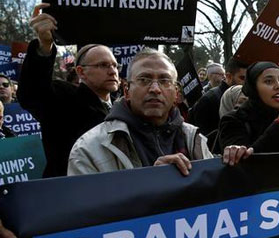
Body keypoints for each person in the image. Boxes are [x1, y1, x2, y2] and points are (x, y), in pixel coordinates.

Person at [67, 48, 213, 175]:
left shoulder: (195, 139)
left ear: (176, 93)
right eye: (144, 80)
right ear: (127, 91)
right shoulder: (88, 149)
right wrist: (148, 185)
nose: (155, 89)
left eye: (164, 81)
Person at [18, 3, 120, 177]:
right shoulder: (64, 98)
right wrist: (44, 47)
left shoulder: (124, 105)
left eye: (115, 65)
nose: (112, 71)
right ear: (81, 72)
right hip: (70, 192)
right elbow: (32, 93)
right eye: (103, 65)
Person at [219, 62, 279, 153]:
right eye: (268, 81)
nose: (278, 86)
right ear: (253, 88)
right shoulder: (234, 120)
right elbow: (245, 163)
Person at [189, 59, 248, 139]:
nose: (246, 83)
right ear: (229, 77)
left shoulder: (246, 97)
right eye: (242, 78)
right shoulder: (209, 99)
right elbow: (203, 138)